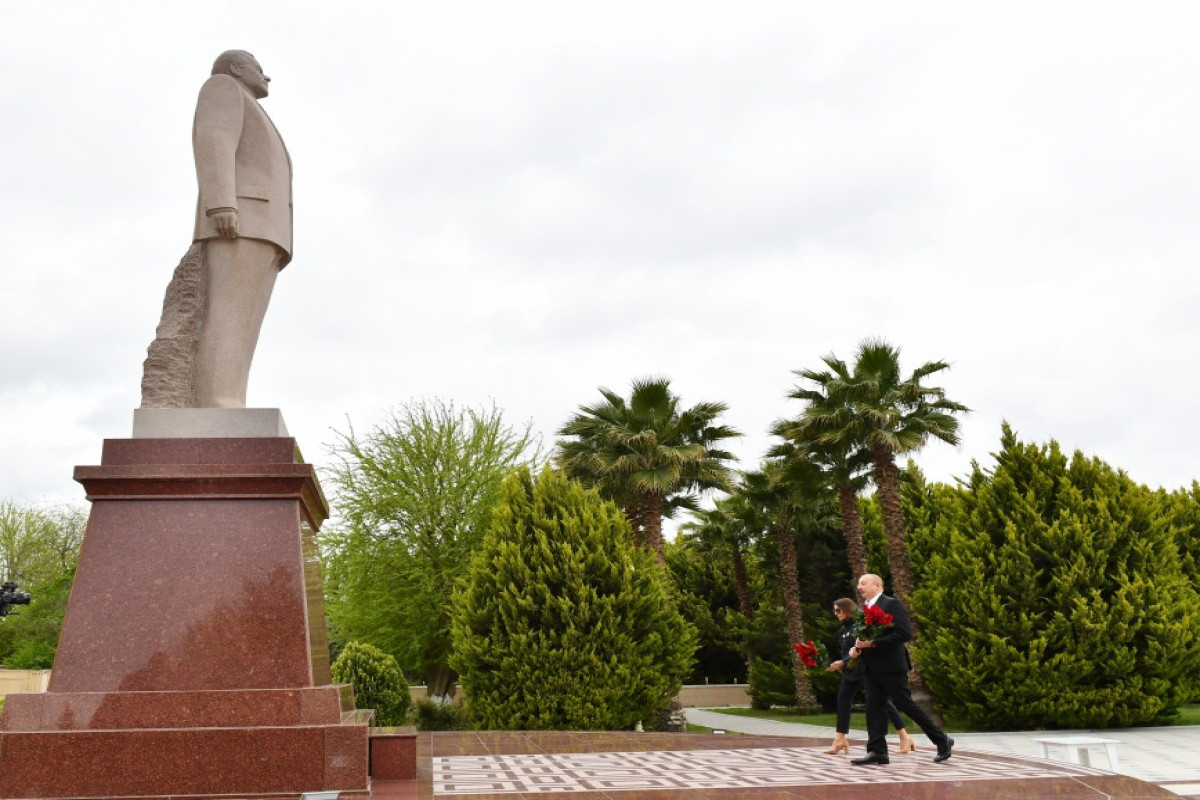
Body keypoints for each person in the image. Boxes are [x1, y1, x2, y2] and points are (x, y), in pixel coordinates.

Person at [190, 49, 293, 408]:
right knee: (228, 313)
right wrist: (221, 202)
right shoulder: (223, 87)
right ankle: (216, 401)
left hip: (267, 228)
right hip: (241, 219)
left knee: (246, 323)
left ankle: (230, 399)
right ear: (237, 68)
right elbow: (215, 140)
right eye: (259, 69)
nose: (267, 77)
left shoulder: (252, 105)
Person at [849, 573, 954, 766]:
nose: (859, 587)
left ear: (877, 585)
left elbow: (904, 633)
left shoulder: (891, 604)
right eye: (858, 584)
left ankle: (942, 740)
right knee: (874, 708)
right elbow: (862, 635)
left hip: (891, 666)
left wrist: (873, 644)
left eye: (863, 583)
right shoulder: (863, 608)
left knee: (905, 704)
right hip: (870, 667)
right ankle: (877, 752)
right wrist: (856, 648)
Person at [823, 597, 915, 755]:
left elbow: (861, 649)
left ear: (847, 610)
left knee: (883, 703)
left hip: (864, 670)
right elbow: (847, 651)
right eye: (834, 611)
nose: (836, 614)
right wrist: (842, 663)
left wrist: (843, 662)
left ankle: (904, 736)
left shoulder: (858, 627)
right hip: (850, 672)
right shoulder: (844, 629)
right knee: (843, 701)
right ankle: (840, 740)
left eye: (838, 610)